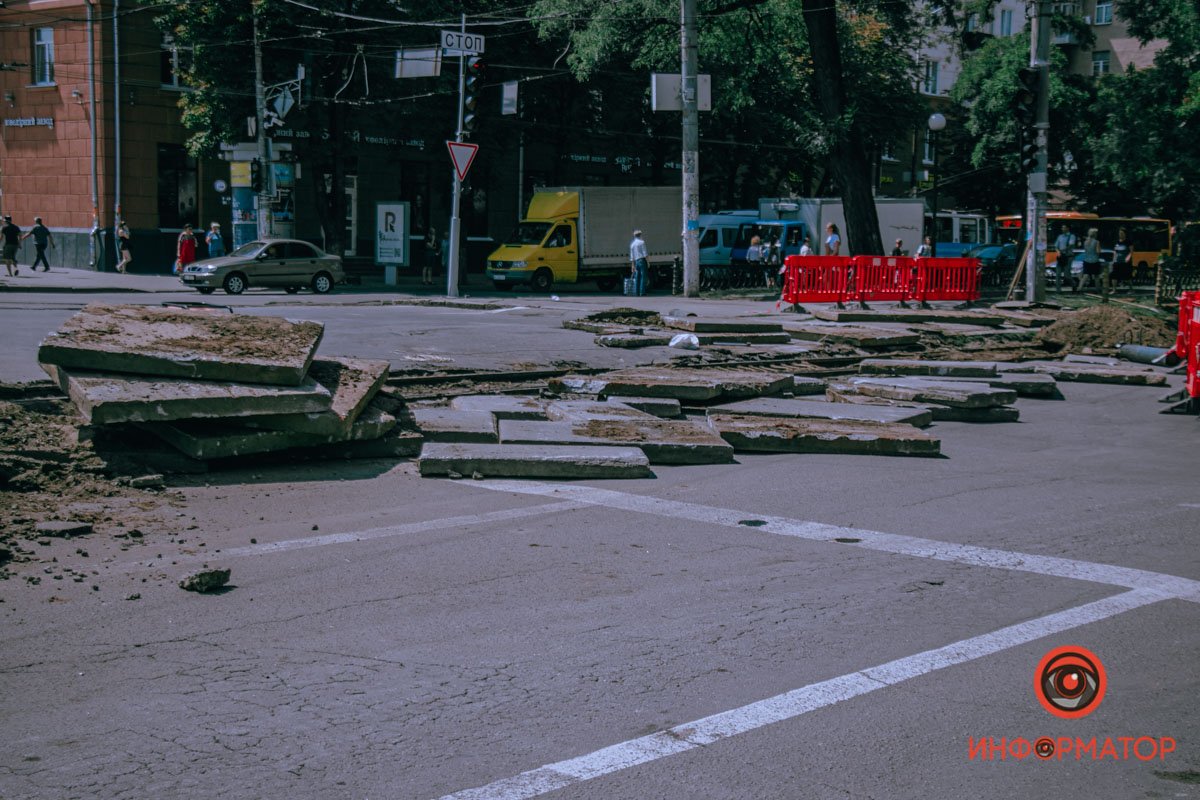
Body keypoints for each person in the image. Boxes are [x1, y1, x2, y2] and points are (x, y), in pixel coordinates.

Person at [1052, 224, 1077, 291]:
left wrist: (1063, 250)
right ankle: (1058, 289)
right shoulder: (1060, 236)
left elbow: (1071, 245)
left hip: (1068, 256)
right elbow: (1056, 246)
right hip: (1060, 256)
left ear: (1068, 228)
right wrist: (1058, 251)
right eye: (1062, 228)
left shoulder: (1071, 236)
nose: (1062, 229)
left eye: (1064, 228)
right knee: (1058, 273)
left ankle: (1073, 284)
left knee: (1066, 274)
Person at [1111, 227, 1134, 292]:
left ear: (1125, 234)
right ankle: (1114, 290)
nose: (1120, 235)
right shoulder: (1117, 241)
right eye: (1119, 233)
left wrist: (1128, 257)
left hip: (1125, 262)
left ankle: (1131, 289)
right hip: (1117, 261)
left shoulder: (1128, 242)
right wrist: (1113, 260)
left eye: (1122, 233)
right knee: (1114, 276)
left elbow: (1131, 251)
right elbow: (1115, 251)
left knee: (1127, 276)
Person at [1078, 227, 1101, 292]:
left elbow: (1086, 250)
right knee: (1096, 276)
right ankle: (1098, 289)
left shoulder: (1086, 242)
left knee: (1085, 275)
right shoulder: (1097, 242)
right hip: (1095, 260)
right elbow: (1098, 251)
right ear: (1095, 234)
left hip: (1086, 260)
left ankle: (1079, 288)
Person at [629, 229, 648, 296]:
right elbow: (645, 253)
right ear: (640, 235)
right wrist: (648, 262)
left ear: (634, 236)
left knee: (637, 276)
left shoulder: (632, 244)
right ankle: (642, 292)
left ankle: (636, 292)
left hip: (636, 261)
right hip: (642, 260)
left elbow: (632, 256)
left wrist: (632, 265)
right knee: (643, 276)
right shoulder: (642, 242)